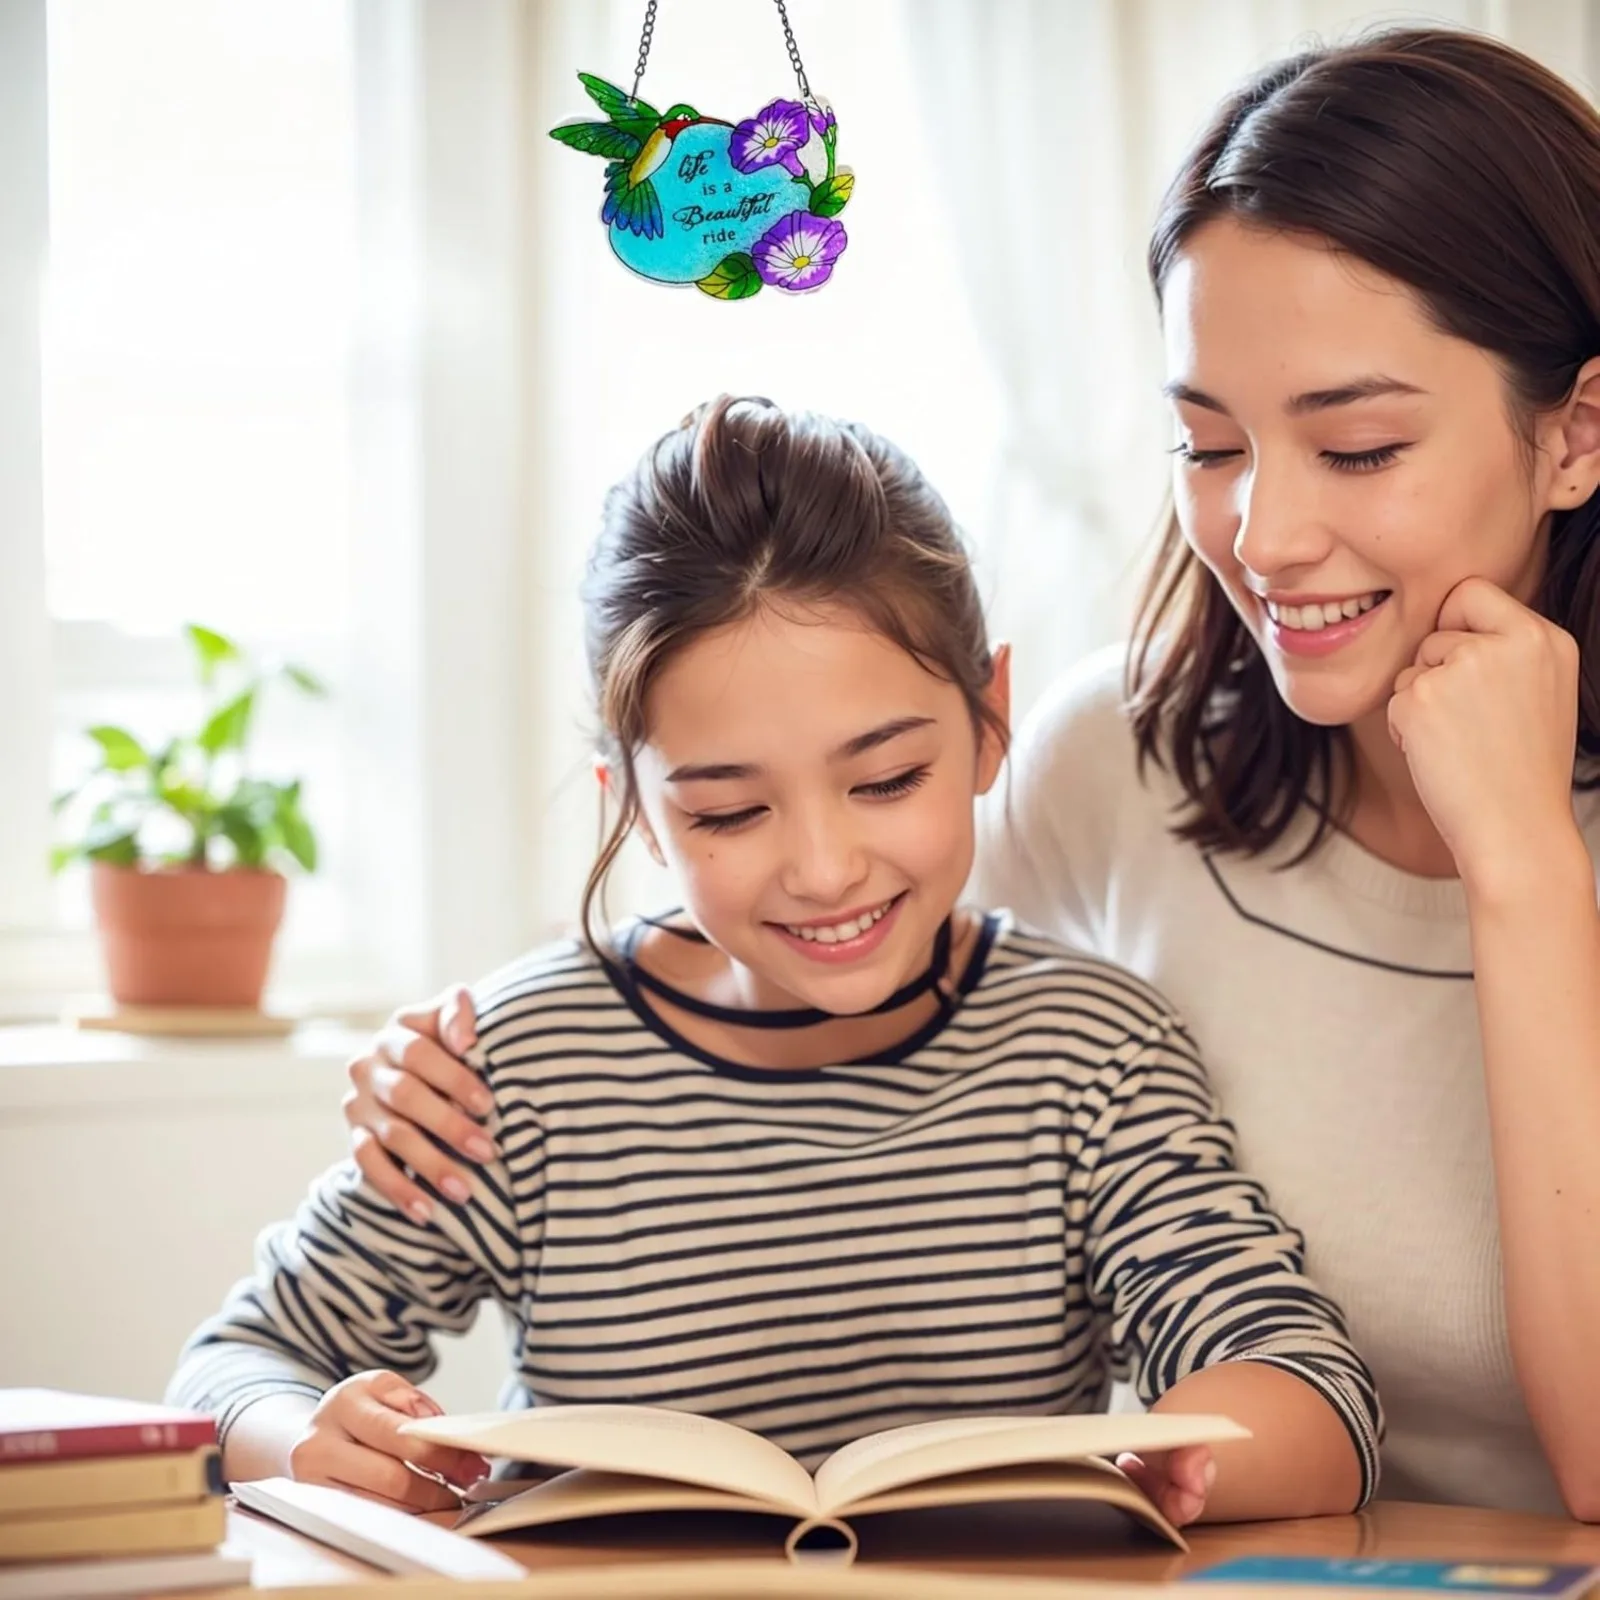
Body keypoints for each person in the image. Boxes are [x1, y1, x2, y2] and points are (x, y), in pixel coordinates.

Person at [343, 30, 1600, 1519]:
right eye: (1208, 444)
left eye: (1360, 446)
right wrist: (469, 1058)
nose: (1260, 536)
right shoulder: (1116, 767)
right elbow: (868, 981)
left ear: (1576, 432)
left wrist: (1522, 864)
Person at [169, 398, 1381, 1529]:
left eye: (886, 779)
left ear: (989, 717)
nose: (823, 867)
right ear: (636, 810)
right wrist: (305, 1438)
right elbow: (229, 1371)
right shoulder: (513, 1069)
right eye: (728, 813)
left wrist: (1172, 1458)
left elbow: (1307, 1386)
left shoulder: (1088, 1051)